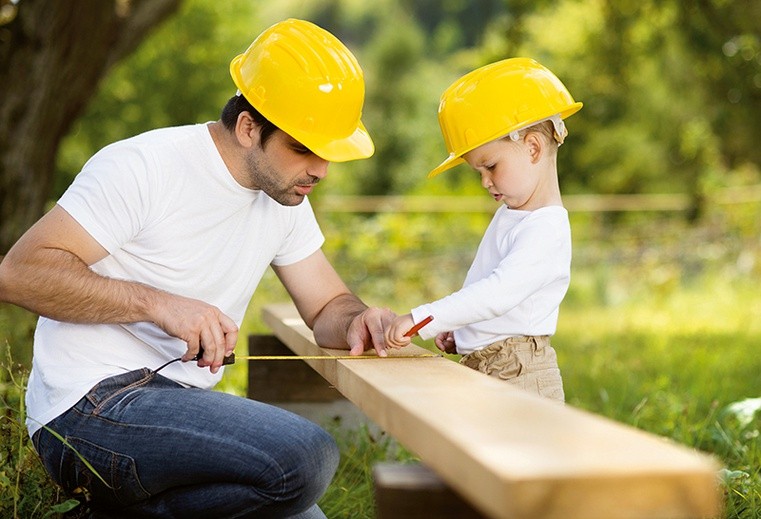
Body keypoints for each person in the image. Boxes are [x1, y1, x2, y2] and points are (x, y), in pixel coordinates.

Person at [0, 18, 395, 518]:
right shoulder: (144, 166)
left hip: (175, 410)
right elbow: (18, 273)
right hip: (89, 408)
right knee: (306, 456)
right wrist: (159, 305)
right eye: (303, 148)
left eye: (330, 154)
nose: (320, 169)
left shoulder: (285, 196)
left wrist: (359, 320)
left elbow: (327, 306)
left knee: (304, 512)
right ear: (249, 127)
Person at [384, 58, 582, 402]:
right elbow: (490, 296)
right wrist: (463, 332)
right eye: (478, 171)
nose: (485, 181)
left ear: (533, 148)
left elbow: (498, 293)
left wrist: (423, 319)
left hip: (520, 374)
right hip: (489, 366)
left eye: (490, 166)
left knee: (520, 457)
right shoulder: (512, 214)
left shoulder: (546, 229)